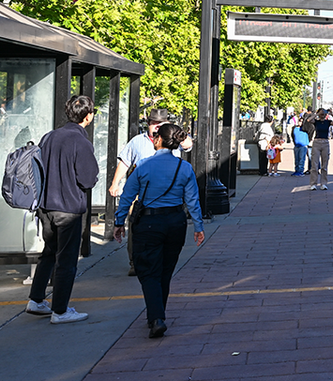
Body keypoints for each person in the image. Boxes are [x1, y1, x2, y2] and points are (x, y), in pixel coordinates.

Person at [112, 123, 204, 338]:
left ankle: (156, 317)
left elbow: (127, 196)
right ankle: (158, 313)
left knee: (148, 270)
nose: (153, 139)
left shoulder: (144, 166)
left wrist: (119, 222)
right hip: (175, 221)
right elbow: (192, 200)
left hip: (149, 222)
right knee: (166, 269)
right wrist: (198, 226)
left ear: (160, 140)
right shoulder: (184, 168)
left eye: (155, 136)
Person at [25, 95, 99, 324]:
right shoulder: (81, 142)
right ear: (88, 117)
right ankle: (60, 310)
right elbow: (88, 180)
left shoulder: (49, 137)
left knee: (49, 252)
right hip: (68, 208)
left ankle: (36, 299)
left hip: (46, 205)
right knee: (67, 259)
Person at [109, 107, 169, 276]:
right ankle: (135, 262)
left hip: (164, 194)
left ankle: (158, 259)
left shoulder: (172, 140)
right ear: (148, 124)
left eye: (161, 123)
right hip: (139, 194)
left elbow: (188, 145)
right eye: (154, 123)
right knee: (136, 227)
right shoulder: (137, 141)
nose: (157, 126)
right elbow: (125, 162)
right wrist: (115, 183)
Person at [307, 108, 333, 190]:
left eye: (324, 113)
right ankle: (313, 184)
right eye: (322, 113)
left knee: (324, 165)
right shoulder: (316, 122)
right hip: (316, 142)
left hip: (325, 142)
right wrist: (317, 114)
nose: (323, 114)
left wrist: (332, 114)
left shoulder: (328, 122)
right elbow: (308, 120)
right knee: (314, 164)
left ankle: (323, 183)